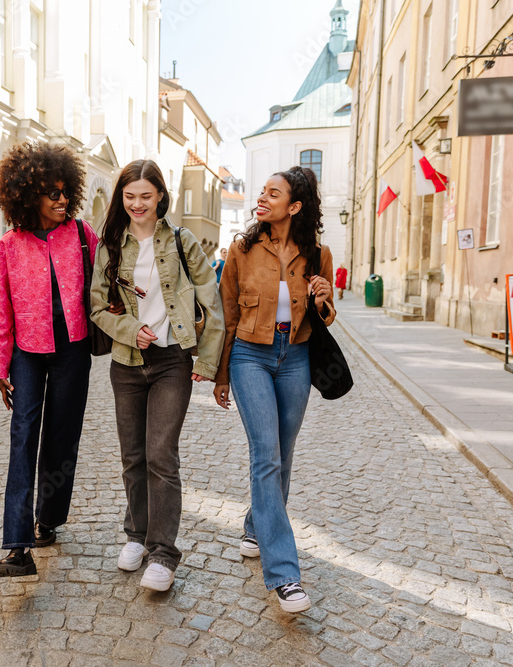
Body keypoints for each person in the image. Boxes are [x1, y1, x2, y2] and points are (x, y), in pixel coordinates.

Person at [90, 159, 225, 592]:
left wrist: (205, 362)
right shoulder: (111, 245)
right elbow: (95, 308)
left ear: (161, 197)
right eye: (129, 197)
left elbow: (213, 303)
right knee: (133, 455)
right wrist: (130, 330)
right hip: (126, 363)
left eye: (146, 196)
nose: (137, 204)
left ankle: (164, 553)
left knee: (161, 456)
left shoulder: (184, 242)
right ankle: (137, 535)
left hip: (172, 364)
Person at [213, 166, 336, 613]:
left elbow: (326, 317)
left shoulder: (316, 253)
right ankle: (285, 574)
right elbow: (227, 314)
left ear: (295, 206)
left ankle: (255, 524)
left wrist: (322, 297)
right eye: (261, 192)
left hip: (295, 357)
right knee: (265, 454)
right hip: (250, 355)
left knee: (282, 453)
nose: (261, 198)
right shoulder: (241, 250)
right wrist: (222, 373)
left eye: (272, 193)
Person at [0, 142, 99, 578]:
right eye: (51, 193)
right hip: (26, 353)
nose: (61, 200)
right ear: (27, 193)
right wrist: (0, 367)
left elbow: (110, 273)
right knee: (23, 437)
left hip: (73, 348)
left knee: (61, 435)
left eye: (64, 191)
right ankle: (17, 546)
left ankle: (48, 519)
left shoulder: (81, 233)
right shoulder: (9, 246)